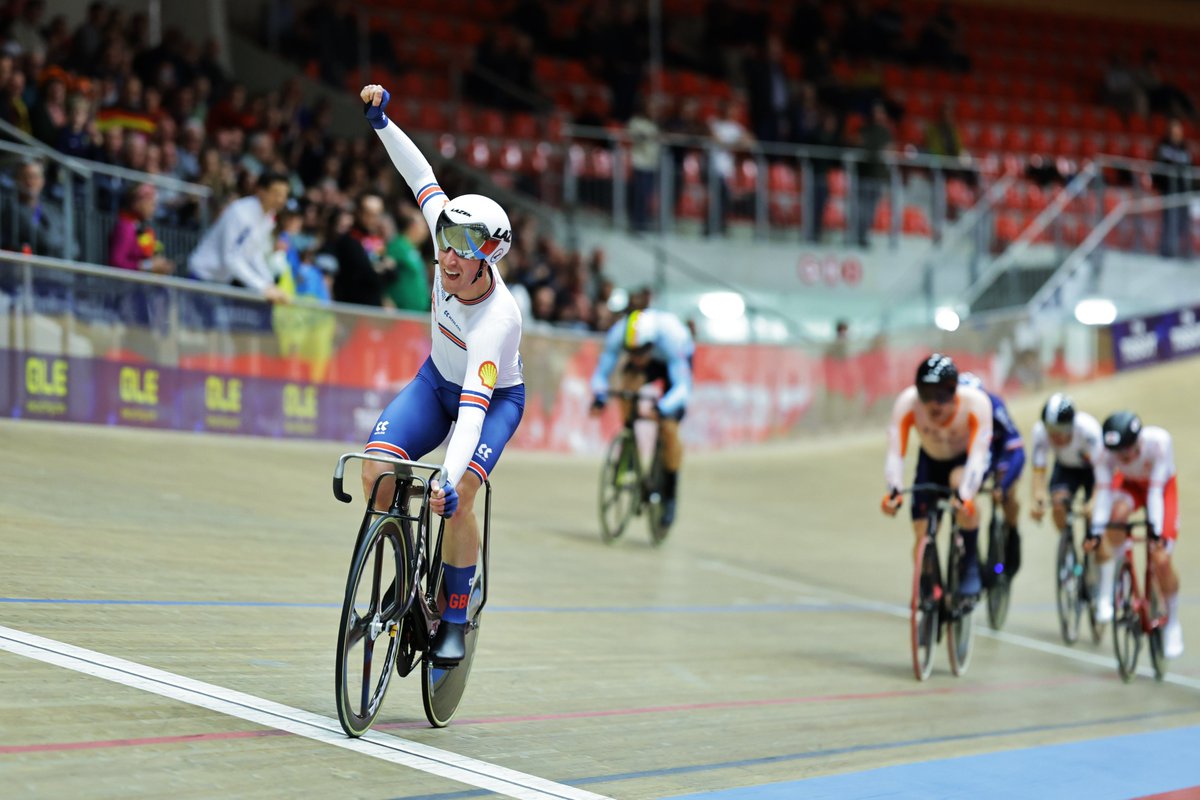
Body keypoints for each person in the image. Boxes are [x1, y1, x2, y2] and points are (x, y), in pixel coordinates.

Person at [358, 83, 525, 667]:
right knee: (378, 471)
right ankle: (402, 573)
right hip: (436, 381)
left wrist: (448, 480)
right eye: (446, 240)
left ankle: (454, 610)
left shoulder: (497, 320)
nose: (448, 256)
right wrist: (382, 122)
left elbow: (473, 415)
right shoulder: (445, 235)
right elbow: (419, 174)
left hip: (492, 401)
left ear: (490, 257)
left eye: (463, 248)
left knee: (460, 497)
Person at [881, 354, 993, 597]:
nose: (934, 405)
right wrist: (893, 490)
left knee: (961, 494)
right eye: (926, 395)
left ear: (955, 392)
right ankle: (929, 582)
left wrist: (965, 495)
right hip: (930, 462)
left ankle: (970, 564)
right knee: (922, 532)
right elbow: (894, 452)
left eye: (942, 396)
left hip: (963, 462)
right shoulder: (907, 402)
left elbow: (978, 456)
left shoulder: (976, 403)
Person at [588, 307, 695, 528]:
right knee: (627, 389)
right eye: (631, 352)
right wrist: (600, 397)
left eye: (641, 352)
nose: (636, 358)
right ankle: (629, 446)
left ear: (651, 344)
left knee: (669, 427)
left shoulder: (671, 339)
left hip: (672, 363)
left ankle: (670, 493)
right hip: (653, 360)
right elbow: (601, 373)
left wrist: (664, 408)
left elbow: (682, 388)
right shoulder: (618, 335)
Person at [1088, 411, 1183, 658]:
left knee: (1161, 559)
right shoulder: (1104, 452)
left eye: (1127, 451)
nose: (1123, 457)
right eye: (1117, 453)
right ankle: (1116, 581)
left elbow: (1154, 493)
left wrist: (1156, 531)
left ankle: (1173, 623)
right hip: (1129, 486)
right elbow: (1104, 493)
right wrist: (1097, 532)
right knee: (1116, 516)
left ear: (1139, 441)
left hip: (1160, 490)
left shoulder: (1159, 443)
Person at [186, 170, 291, 302]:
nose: (281, 200)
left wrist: (270, 284)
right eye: (276, 194)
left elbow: (254, 254)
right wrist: (262, 287)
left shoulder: (268, 218)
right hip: (201, 278)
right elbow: (231, 257)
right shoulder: (240, 212)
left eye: (284, 195)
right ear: (261, 191)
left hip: (220, 283)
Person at [958, 372, 1025, 578]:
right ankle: (966, 546)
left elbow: (1017, 450)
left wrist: (1003, 486)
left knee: (1006, 495)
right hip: (974, 454)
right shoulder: (954, 411)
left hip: (999, 454)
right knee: (962, 495)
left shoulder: (995, 406)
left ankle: (1011, 532)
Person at [1029, 393, 1103, 537]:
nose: (1055, 436)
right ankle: (1067, 546)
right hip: (1066, 467)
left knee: (1094, 515)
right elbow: (1038, 470)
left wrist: (1095, 500)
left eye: (1061, 430)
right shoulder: (1040, 431)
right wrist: (1038, 497)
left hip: (1094, 471)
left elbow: (1103, 471)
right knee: (1058, 505)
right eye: (1051, 431)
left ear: (1072, 425)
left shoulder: (1089, 430)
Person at [108, 182, 175, 275]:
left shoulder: (138, 226)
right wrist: (150, 265)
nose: (154, 208)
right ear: (137, 202)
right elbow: (116, 263)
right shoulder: (125, 227)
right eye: (151, 203)